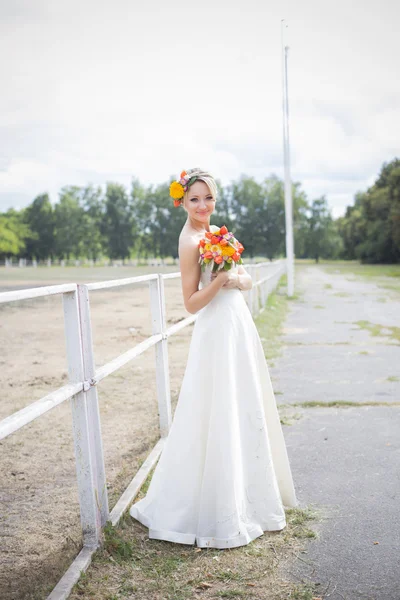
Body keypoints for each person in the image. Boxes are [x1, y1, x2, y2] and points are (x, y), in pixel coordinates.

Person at [129, 167, 298, 549]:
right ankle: (211, 505)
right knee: (215, 408)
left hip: (237, 323)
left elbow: (245, 276)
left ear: (215, 200)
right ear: (182, 203)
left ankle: (248, 495)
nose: (202, 206)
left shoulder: (217, 233)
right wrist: (222, 281)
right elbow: (190, 303)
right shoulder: (190, 241)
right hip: (215, 329)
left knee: (241, 403)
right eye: (194, 199)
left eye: (208, 198)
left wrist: (236, 278)